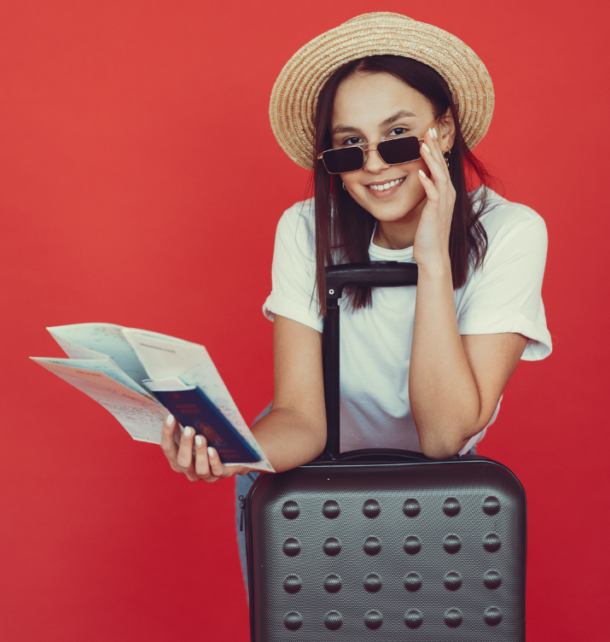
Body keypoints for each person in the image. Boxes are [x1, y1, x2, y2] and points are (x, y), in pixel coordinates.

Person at [157, 12, 551, 592]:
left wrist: (433, 260)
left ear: (442, 134)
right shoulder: (305, 229)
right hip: (308, 493)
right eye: (348, 147)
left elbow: (444, 436)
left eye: (397, 136)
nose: (372, 164)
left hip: (439, 502)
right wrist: (229, 452)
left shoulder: (512, 232)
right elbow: (302, 419)